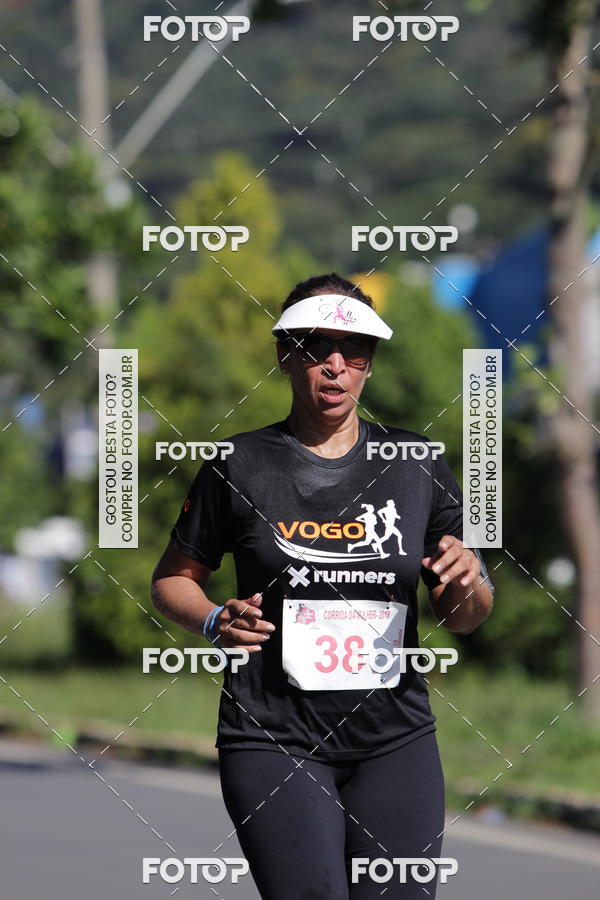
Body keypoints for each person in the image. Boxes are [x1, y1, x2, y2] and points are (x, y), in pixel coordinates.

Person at [151, 273, 495, 899]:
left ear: (370, 364)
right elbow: (173, 580)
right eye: (315, 347)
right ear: (285, 354)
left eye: (353, 350)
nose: (334, 366)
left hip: (395, 739)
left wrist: (469, 581)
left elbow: (467, 616)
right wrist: (211, 621)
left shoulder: (416, 464)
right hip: (272, 735)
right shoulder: (237, 462)